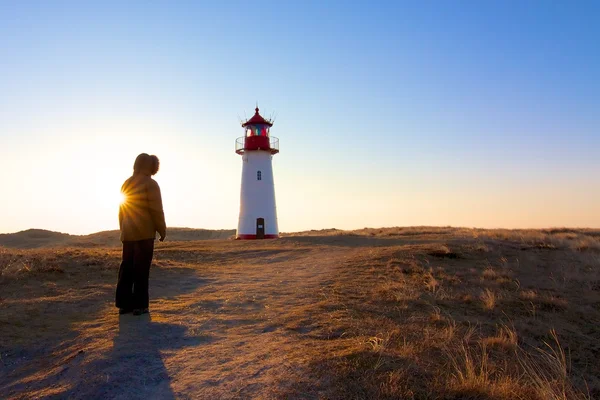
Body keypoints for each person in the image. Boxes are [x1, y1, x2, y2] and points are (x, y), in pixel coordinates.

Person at [116, 153, 167, 315]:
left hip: (128, 233)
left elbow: (121, 209)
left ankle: (124, 305)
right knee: (141, 269)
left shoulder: (126, 183)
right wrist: (162, 229)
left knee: (127, 268)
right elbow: (156, 210)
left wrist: (123, 229)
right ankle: (140, 305)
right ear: (152, 166)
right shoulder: (151, 184)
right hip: (144, 234)